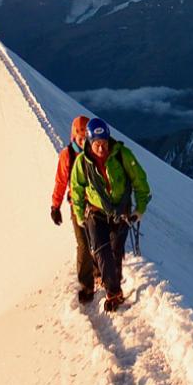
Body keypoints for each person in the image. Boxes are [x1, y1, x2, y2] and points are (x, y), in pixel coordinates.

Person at [70, 117, 152, 312]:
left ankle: (112, 284)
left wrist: (139, 210)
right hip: (96, 213)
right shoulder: (82, 163)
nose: (101, 148)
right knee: (101, 250)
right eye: (97, 144)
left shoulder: (123, 155)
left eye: (104, 143)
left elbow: (140, 182)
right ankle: (113, 292)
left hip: (120, 213)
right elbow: (76, 189)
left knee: (115, 251)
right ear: (89, 142)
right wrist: (80, 214)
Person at [50, 115, 98, 303]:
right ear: (73, 137)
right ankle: (87, 285)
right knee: (84, 244)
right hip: (77, 205)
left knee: (96, 239)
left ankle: (97, 269)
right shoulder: (67, 156)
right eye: (80, 138)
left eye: (85, 137)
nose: (83, 141)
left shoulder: (94, 152)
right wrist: (55, 206)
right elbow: (61, 181)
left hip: (95, 204)